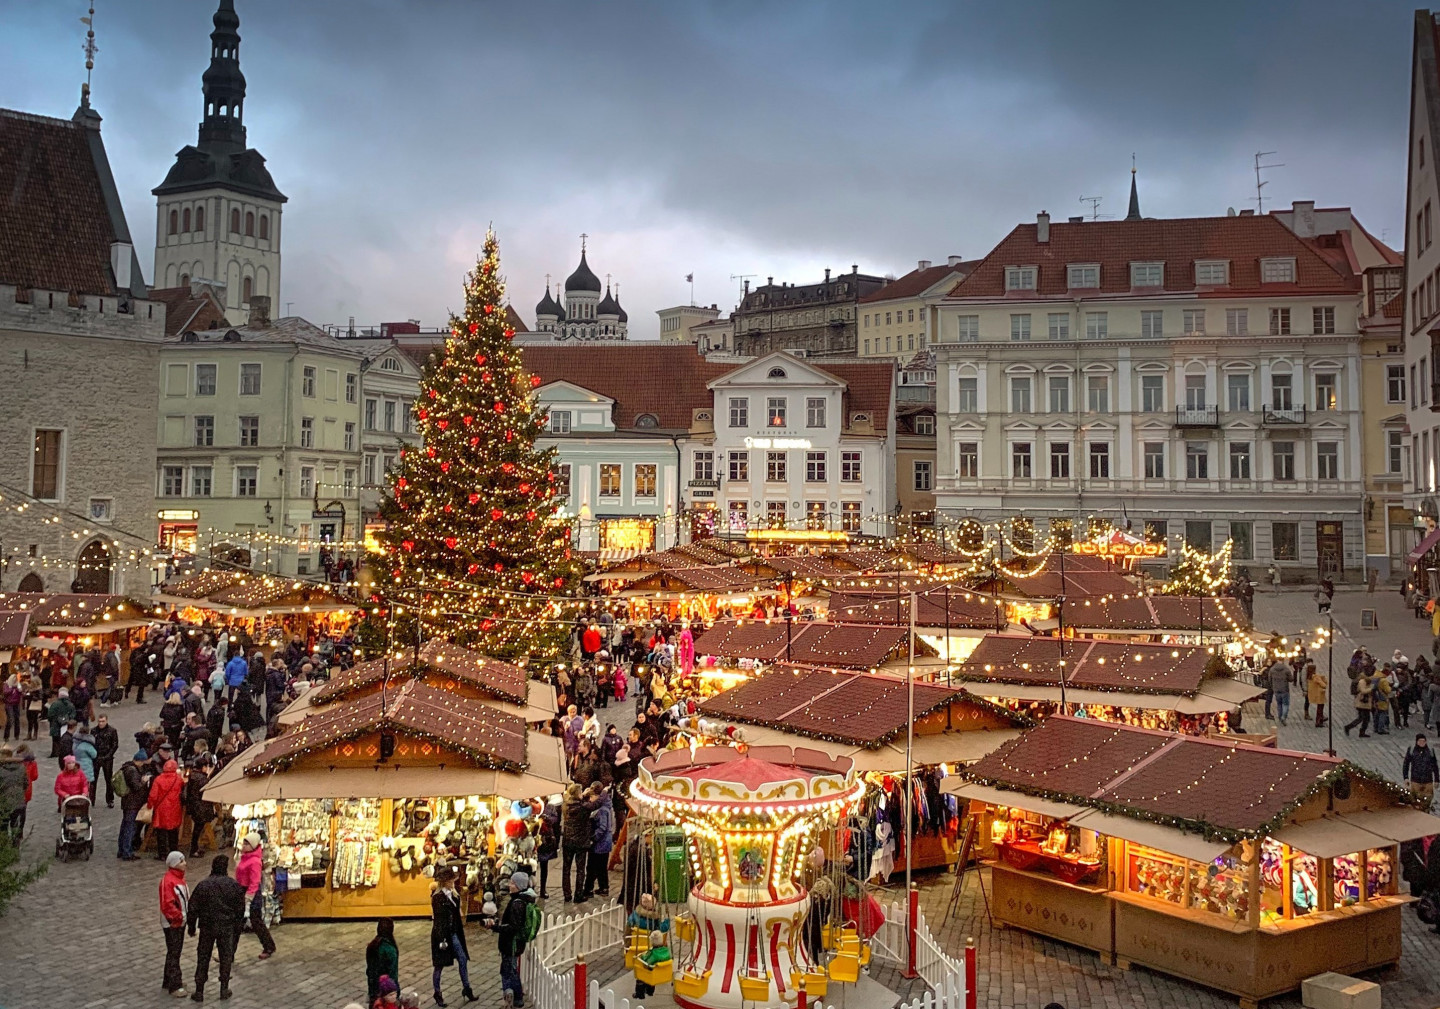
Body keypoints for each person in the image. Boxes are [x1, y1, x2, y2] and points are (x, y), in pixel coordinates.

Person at [188, 853, 247, 1001]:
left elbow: (193, 907)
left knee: (203, 956)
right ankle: (224, 988)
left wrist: (191, 927)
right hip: (226, 927)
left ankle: (199, 990)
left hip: (207, 927)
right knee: (225, 957)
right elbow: (240, 909)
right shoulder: (233, 885)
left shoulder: (203, 885)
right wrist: (237, 927)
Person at [429, 865, 473, 1007]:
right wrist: (442, 940)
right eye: (451, 880)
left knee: (462, 959)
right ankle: (437, 992)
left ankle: (467, 988)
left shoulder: (453, 894)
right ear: (445, 882)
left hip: (454, 933)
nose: (453, 882)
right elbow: (439, 920)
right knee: (439, 965)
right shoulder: (437, 897)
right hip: (442, 935)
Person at [493, 870, 535, 1008]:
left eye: (512, 883)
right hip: (515, 944)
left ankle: (511, 995)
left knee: (508, 972)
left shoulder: (517, 903)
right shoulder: (521, 900)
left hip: (511, 944)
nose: (509, 885)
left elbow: (513, 927)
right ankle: (516, 997)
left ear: (518, 885)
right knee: (510, 969)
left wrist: (496, 928)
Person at [235, 834, 276, 959]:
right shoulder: (245, 857)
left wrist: (248, 898)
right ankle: (228, 954)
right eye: (243, 843)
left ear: (252, 845)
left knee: (255, 921)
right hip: (242, 891)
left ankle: (269, 946)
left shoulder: (254, 861)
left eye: (246, 844)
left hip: (251, 894)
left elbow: (255, 881)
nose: (243, 846)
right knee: (237, 923)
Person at [160, 851, 191, 998]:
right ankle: (174, 985)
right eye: (181, 861)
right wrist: (178, 918)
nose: (185, 863)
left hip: (178, 921)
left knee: (173, 952)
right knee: (174, 953)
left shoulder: (177, 878)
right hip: (173, 923)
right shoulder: (169, 881)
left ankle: (168, 980)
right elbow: (168, 905)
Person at [560, 783, 592, 902]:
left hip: (568, 840)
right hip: (580, 842)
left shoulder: (565, 805)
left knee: (566, 868)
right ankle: (578, 895)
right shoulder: (583, 808)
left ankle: (567, 894)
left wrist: (582, 795)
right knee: (580, 869)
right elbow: (592, 806)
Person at [149, 758, 186, 859]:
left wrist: (150, 805)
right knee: (173, 831)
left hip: (161, 808)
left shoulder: (158, 779)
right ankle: (173, 851)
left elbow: (153, 795)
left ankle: (162, 854)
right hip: (174, 808)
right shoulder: (178, 779)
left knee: (161, 831)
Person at [584, 784, 614, 899]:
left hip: (600, 844)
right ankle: (603, 887)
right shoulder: (606, 806)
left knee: (592, 867)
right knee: (601, 867)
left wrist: (593, 838)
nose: (591, 800)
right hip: (605, 843)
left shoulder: (602, 810)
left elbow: (602, 827)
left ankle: (588, 889)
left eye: (592, 797)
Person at [118, 754, 151, 860]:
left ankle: (122, 850)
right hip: (132, 804)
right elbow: (136, 787)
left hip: (128, 803)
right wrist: (143, 781)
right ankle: (127, 852)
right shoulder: (132, 770)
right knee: (129, 828)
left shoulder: (128, 768)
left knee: (125, 826)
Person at [366, 918, 400, 1003]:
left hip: (373, 990)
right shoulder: (390, 950)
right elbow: (393, 974)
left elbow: (369, 971)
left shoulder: (372, 946)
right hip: (386, 992)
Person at [633, 929, 671, 1001]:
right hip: (662, 973)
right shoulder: (666, 951)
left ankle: (640, 994)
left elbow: (647, 962)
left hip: (653, 973)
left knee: (641, 973)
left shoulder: (653, 954)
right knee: (653, 971)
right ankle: (650, 992)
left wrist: (643, 956)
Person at [1404, 733, 1439, 810]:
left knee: (1427, 800)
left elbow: (1435, 766)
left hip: (1428, 781)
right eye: (1420, 741)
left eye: (1424, 741)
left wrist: (1437, 779)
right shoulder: (1412, 750)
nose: (1422, 743)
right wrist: (1405, 777)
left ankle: (1425, 811)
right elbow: (1406, 764)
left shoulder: (1430, 751)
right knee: (1415, 801)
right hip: (1415, 781)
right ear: (1417, 742)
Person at [93, 713, 120, 808]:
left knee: (108, 779)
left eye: (103, 721)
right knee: (93, 780)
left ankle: (110, 799)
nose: (101, 723)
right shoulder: (93, 731)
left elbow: (115, 745)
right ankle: (92, 799)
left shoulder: (112, 731)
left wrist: (108, 756)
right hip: (96, 757)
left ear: (106, 721)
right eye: (99, 721)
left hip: (107, 758)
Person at [1345, 671, 1375, 738]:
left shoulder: (1368, 681)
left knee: (1366, 718)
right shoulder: (1362, 681)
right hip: (1361, 702)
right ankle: (1349, 727)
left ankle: (1362, 732)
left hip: (1366, 702)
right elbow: (1363, 691)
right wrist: (1371, 689)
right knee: (1361, 718)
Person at [46, 688, 75, 758]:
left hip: (55, 724)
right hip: (66, 725)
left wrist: (52, 721)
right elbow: (73, 715)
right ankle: (64, 751)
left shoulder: (55, 704)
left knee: (55, 739)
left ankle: (55, 752)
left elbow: (50, 714)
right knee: (65, 738)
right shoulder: (71, 705)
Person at [1267, 658, 1293, 726]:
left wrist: (1273, 686)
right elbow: (1291, 679)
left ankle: (1279, 716)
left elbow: (1269, 679)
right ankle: (1283, 717)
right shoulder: (1286, 669)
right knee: (1285, 704)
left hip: (1276, 689)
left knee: (1279, 704)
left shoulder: (1272, 669)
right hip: (1284, 689)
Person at [1307, 664, 1328, 728]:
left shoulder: (1309, 676)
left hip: (1314, 694)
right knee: (1320, 708)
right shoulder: (1316, 677)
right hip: (1319, 694)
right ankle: (1318, 721)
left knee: (1320, 708)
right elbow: (1324, 685)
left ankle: (1320, 719)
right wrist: (1324, 680)